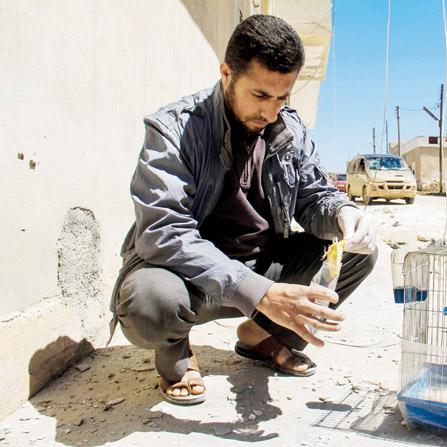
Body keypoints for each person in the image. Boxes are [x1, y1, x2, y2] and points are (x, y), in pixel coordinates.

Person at [109, 14, 378, 405]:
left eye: (282, 98)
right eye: (260, 96)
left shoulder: (288, 129)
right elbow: (163, 233)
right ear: (226, 73)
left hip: (262, 265)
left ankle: (263, 335)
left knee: (357, 254)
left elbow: (313, 195)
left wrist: (342, 213)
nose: (271, 112)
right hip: (190, 278)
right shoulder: (174, 129)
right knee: (151, 303)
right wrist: (259, 292)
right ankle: (175, 351)